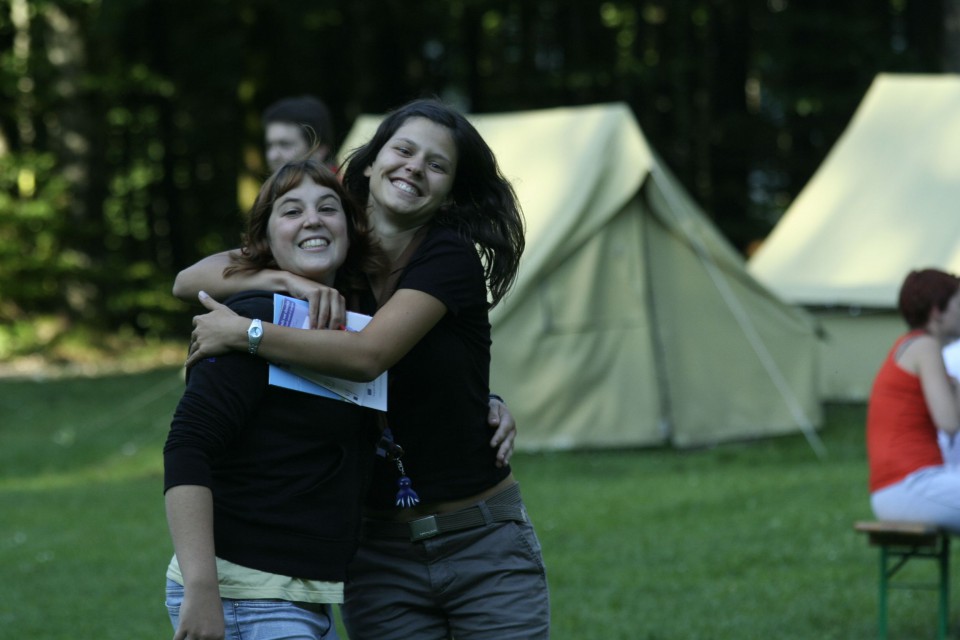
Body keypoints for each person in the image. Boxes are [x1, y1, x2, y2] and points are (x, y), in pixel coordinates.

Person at [178, 98, 550, 639]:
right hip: (376, 556)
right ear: (371, 162)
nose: (414, 168)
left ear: (449, 190)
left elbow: (369, 357)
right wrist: (284, 281)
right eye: (403, 150)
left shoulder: (448, 257)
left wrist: (249, 333)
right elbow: (191, 279)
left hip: (482, 543)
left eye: (436, 165)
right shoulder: (329, 246)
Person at [163, 158, 381, 640]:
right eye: (291, 210)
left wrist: (486, 401)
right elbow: (187, 447)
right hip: (242, 591)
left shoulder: (360, 324)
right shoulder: (250, 319)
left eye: (328, 207)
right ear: (264, 240)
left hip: (301, 593)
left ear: (349, 226)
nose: (312, 219)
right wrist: (203, 588)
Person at [867, 268, 960, 532]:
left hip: (901, 487)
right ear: (936, 311)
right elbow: (950, 422)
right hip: (910, 485)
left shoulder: (914, 347)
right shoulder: (924, 347)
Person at [262, 95, 336, 172]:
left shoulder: (341, 183)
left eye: (285, 145)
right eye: (269, 146)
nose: (272, 156)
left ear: (319, 150)